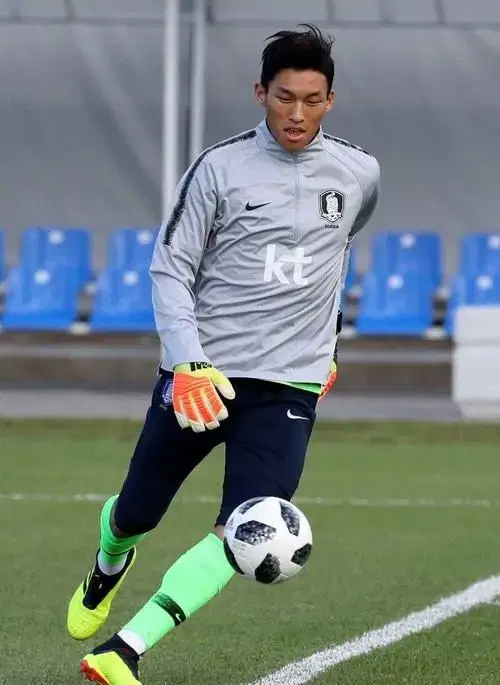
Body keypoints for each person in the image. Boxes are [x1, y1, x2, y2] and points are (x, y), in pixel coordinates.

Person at [67, 23, 380, 685]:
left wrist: (328, 344)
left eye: (313, 99)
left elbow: (334, 258)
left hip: (288, 386)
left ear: (332, 99)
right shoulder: (218, 168)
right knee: (137, 511)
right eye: (285, 97)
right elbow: (170, 268)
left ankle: (123, 651)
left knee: (249, 526)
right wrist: (186, 361)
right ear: (260, 92)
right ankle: (107, 562)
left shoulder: (359, 174)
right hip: (204, 375)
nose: (297, 113)